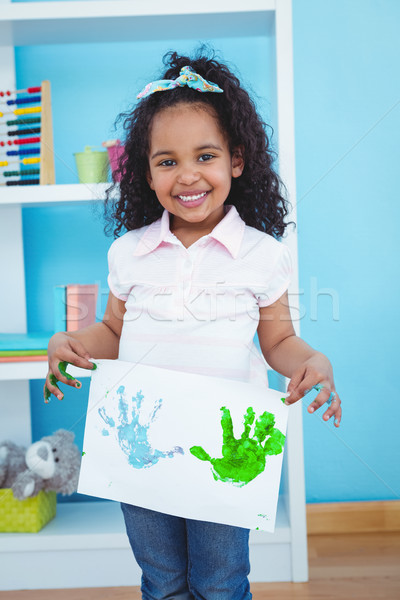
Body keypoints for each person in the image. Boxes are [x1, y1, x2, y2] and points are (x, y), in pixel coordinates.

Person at [45, 50, 342, 600]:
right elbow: (111, 332)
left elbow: (277, 340)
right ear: (145, 172)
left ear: (236, 159)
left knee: (220, 581)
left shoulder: (261, 254)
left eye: (205, 155)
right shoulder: (129, 252)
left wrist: (312, 361)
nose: (187, 175)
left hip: (224, 452)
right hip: (140, 449)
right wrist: (72, 342)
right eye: (166, 161)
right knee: (161, 581)